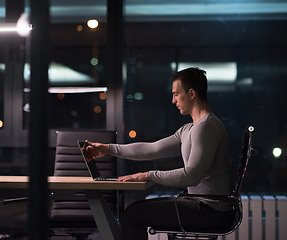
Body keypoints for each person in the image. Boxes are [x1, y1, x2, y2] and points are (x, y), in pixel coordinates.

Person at [84, 67, 235, 240]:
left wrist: (148, 175)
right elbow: (152, 149)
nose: (173, 100)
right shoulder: (190, 129)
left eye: (176, 94)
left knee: (132, 215)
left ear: (192, 93)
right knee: (133, 212)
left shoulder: (206, 127)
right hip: (201, 205)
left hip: (210, 211)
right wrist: (107, 149)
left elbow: (191, 176)